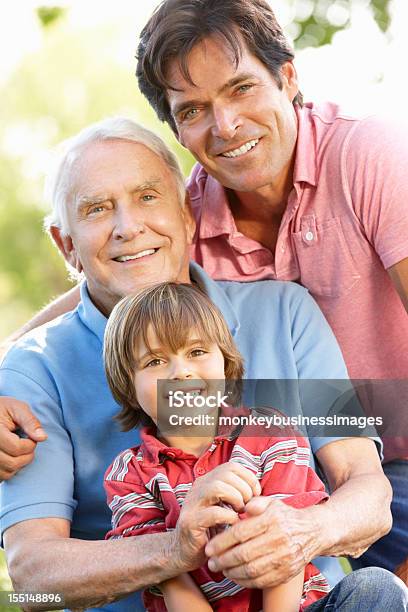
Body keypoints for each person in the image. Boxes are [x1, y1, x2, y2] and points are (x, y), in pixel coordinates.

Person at [0, 118, 392, 610]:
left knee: (379, 592)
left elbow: (369, 494)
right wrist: (174, 549)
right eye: (98, 209)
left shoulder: (285, 313)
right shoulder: (32, 371)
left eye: (147, 196)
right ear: (66, 245)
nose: (128, 227)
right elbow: (33, 581)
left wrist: (299, 533)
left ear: (187, 217)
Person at [135, 0, 408, 577]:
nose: (225, 125)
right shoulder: (187, 222)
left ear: (288, 77)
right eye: (194, 110)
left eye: (240, 89)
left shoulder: (370, 155)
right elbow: (104, 287)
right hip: (284, 474)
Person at [103, 281, 331, 611]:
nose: (181, 372)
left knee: (377, 587)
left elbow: (286, 549)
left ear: (224, 364)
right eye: (154, 361)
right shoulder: (130, 474)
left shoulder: (269, 433)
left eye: (196, 352)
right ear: (128, 382)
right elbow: (167, 574)